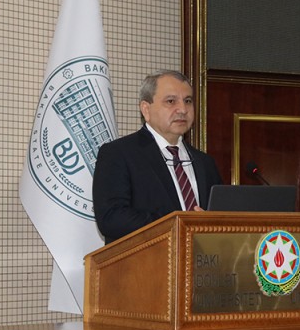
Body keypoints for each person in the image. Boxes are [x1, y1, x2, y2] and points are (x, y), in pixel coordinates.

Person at [93, 70, 223, 244]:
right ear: (146, 109)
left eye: (188, 101)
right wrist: (180, 224)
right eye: (171, 101)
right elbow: (111, 218)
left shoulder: (205, 162)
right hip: (145, 259)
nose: (183, 110)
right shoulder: (118, 153)